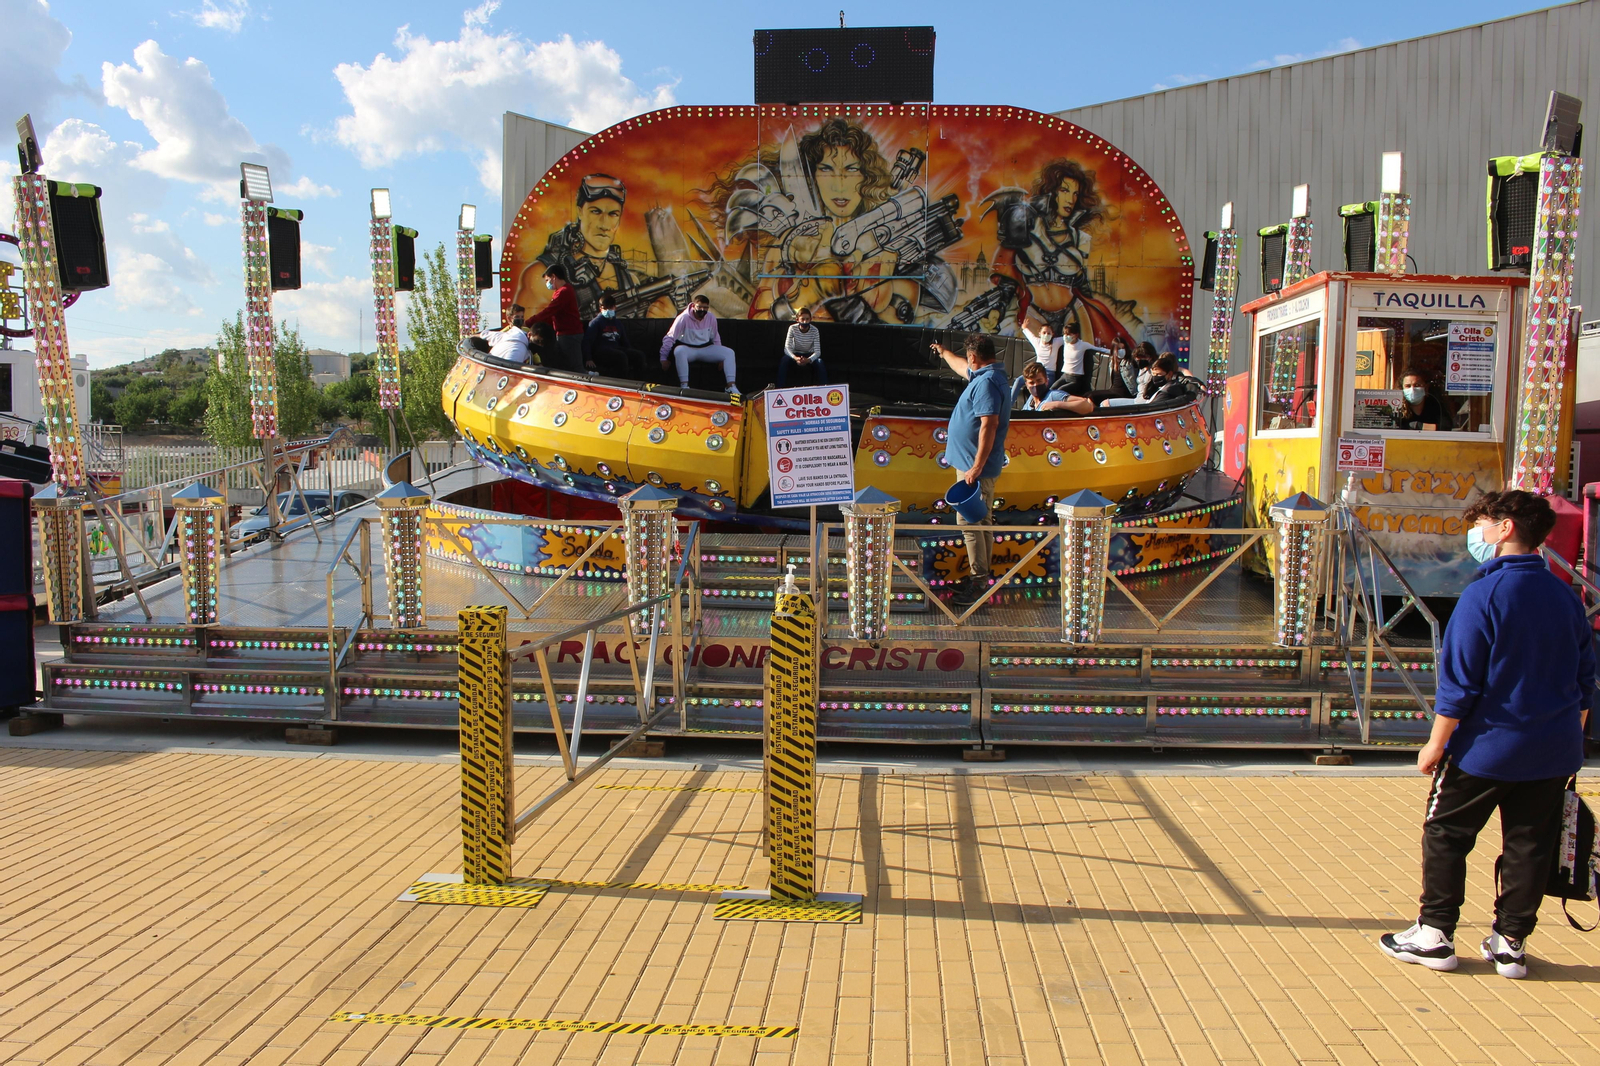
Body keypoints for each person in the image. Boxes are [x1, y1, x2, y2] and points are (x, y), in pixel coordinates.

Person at [1381, 490, 1595, 979]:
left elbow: (1459, 682)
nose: (1477, 533)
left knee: (1446, 832)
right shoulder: (1565, 596)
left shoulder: (1485, 594)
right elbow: (1586, 681)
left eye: (1483, 523)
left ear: (1504, 530)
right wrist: (1568, 740)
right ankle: (1511, 944)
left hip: (1486, 747)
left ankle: (1435, 933)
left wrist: (1435, 744)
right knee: (1530, 843)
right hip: (1554, 748)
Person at [930, 333, 1012, 608]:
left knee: (971, 523)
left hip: (973, 470)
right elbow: (959, 365)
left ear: (974, 357)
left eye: (968, 358)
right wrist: (943, 352)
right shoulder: (986, 375)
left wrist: (976, 467)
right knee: (982, 521)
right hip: (972, 466)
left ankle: (978, 581)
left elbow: (988, 424)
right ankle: (980, 576)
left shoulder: (987, 383)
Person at [660, 293, 740, 397]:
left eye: (705, 308)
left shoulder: (711, 317)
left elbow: (715, 337)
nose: (702, 310)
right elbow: (670, 337)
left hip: (705, 348)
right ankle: (684, 386)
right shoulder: (683, 318)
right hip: (688, 349)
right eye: (700, 307)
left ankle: (731, 386)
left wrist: (720, 358)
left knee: (729, 352)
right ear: (693, 306)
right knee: (679, 351)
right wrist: (663, 358)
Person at [526, 263, 585, 372]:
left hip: (569, 334)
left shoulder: (564, 292)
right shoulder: (561, 291)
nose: (547, 283)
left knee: (575, 368)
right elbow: (552, 313)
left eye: (547, 280)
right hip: (565, 333)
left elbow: (549, 311)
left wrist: (529, 322)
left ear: (554, 277)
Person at [583, 292, 643, 378]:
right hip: (601, 352)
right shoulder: (595, 323)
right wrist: (588, 358)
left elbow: (624, 341)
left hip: (615, 349)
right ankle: (622, 384)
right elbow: (587, 342)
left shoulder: (618, 323)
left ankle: (639, 382)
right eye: (605, 308)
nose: (608, 310)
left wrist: (631, 351)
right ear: (600, 309)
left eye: (610, 307)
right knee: (621, 357)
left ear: (615, 307)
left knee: (638, 355)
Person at [1012, 361, 1091, 414]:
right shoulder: (1031, 400)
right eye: (1032, 383)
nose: (1035, 385)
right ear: (1026, 385)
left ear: (1046, 381)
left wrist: (1056, 404)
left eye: (1039, 381)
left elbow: (1086, 404)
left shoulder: (1053, 395)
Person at [778, 306, 826, 386]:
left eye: (807, 319)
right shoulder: (792, 328)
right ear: (797, 320)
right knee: (784, 360)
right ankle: (779, 389)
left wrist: (808, 360)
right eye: (802, 319)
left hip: (808, 354)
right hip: (795, 354)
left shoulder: (815, 330)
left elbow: (817, 352)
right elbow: (786, 349)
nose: (805, 322)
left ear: (811, 319)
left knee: (820, 362)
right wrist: (795, 358)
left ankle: (826, 388)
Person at [1058, 322, 1109, 396]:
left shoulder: (1083, 345)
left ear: (1076, 335)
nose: (1066, 336)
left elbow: (1099, 349)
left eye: (1069, 334)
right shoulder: (1065, 342)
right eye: (1065, 334)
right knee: (1051, 390)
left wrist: (1114, 351)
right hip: (1064, 376)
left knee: (1059, 392)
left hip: (1075, 378)